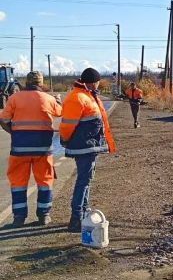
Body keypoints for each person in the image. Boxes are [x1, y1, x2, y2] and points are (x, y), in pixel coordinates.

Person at [0, 71, 62, 227]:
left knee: (18, 183)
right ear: (41, 83)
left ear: (26, 83)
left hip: (20, 149)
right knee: (45, 181)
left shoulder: (14, 98)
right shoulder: (48, 99)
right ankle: (44, 215)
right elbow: (60, 112)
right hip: (43, 149)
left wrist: (14, 133)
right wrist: (58, 101)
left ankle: (19, 218)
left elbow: (3, 120)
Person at [59, 67, 115, 233]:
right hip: (84, 147)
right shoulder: (78, 97)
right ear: (93, 82)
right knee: (83, 181)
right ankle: (76, 218)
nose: (98, 84)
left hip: (88, 146)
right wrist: (65, 140)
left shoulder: (86, 95)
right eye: (97, 82)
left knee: (86, 180)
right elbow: (67, 125)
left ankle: (82, 214)